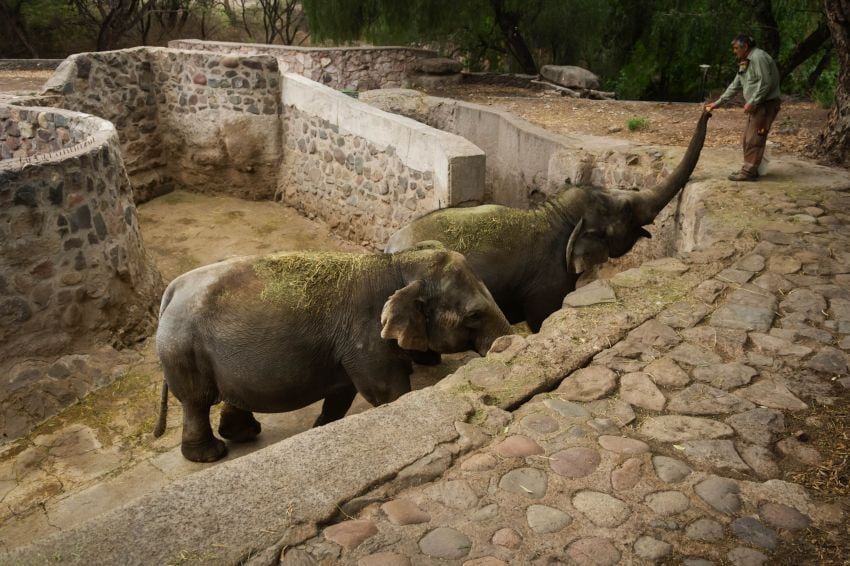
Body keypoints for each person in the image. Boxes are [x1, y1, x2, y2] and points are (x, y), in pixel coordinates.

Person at [705, 34, 781, 182]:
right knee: (747, 138)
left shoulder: (758, 57)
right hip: (757, 106)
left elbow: (765, 82)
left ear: (745, 46)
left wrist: (753, 101)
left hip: (765, 106)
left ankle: (748, 172)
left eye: (736, 48)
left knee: (755, 138)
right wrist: (717, 103)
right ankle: (750, 169)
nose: (734, 51)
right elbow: (735, 85)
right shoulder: (745, 62)